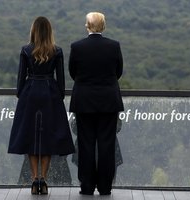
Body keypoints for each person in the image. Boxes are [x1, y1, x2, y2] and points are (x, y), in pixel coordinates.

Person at [8, 16, 75, 195]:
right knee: (47, 139)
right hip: (50, 94)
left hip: (30, 94)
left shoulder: (25, 50)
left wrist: (22, 96)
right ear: (49, 31)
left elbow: (20, 79)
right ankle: (43, 181)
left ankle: (34, 179)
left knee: (31, 137)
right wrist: (57, 96)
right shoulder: (57, 51)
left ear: (34, 31)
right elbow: (61, 81)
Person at [68, 12, 124, 195]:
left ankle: (87, 186)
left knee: (85, 144)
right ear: (104, 26)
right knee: (107, 145)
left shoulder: (77, 47)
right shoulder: (114, 46)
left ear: (87, 26)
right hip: (108, 101)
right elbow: (118, 71)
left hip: (84, 102)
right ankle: (105, 186)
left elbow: (73, 72)